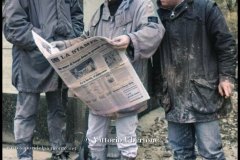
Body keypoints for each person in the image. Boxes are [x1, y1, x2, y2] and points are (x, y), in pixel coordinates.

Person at [52, 0, 165, 159]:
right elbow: (86, 39)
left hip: (127, 88)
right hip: (100, 89)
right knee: (95, 140)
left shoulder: (141, 5)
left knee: (126, 143)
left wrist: (130, 39)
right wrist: (62, 46)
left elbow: (155, 30)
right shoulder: (100, 12)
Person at [153, 0, 237, 159]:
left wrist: (226, 77)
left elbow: (226, 45)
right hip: (173, 97)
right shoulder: (158, 17)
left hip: (203, 95)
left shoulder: (205, 9)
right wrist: (159, 89)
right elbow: (155, 59)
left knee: (211, 152)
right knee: (181, 152)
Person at [3, 0, 83, 159]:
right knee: (26, 112)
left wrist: (68, 42)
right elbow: (13, 25)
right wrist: (46, 39)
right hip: (30, 59)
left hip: (60, 57)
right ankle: (24, 155)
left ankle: (59, 152)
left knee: (59, 109)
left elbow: (77, 18)